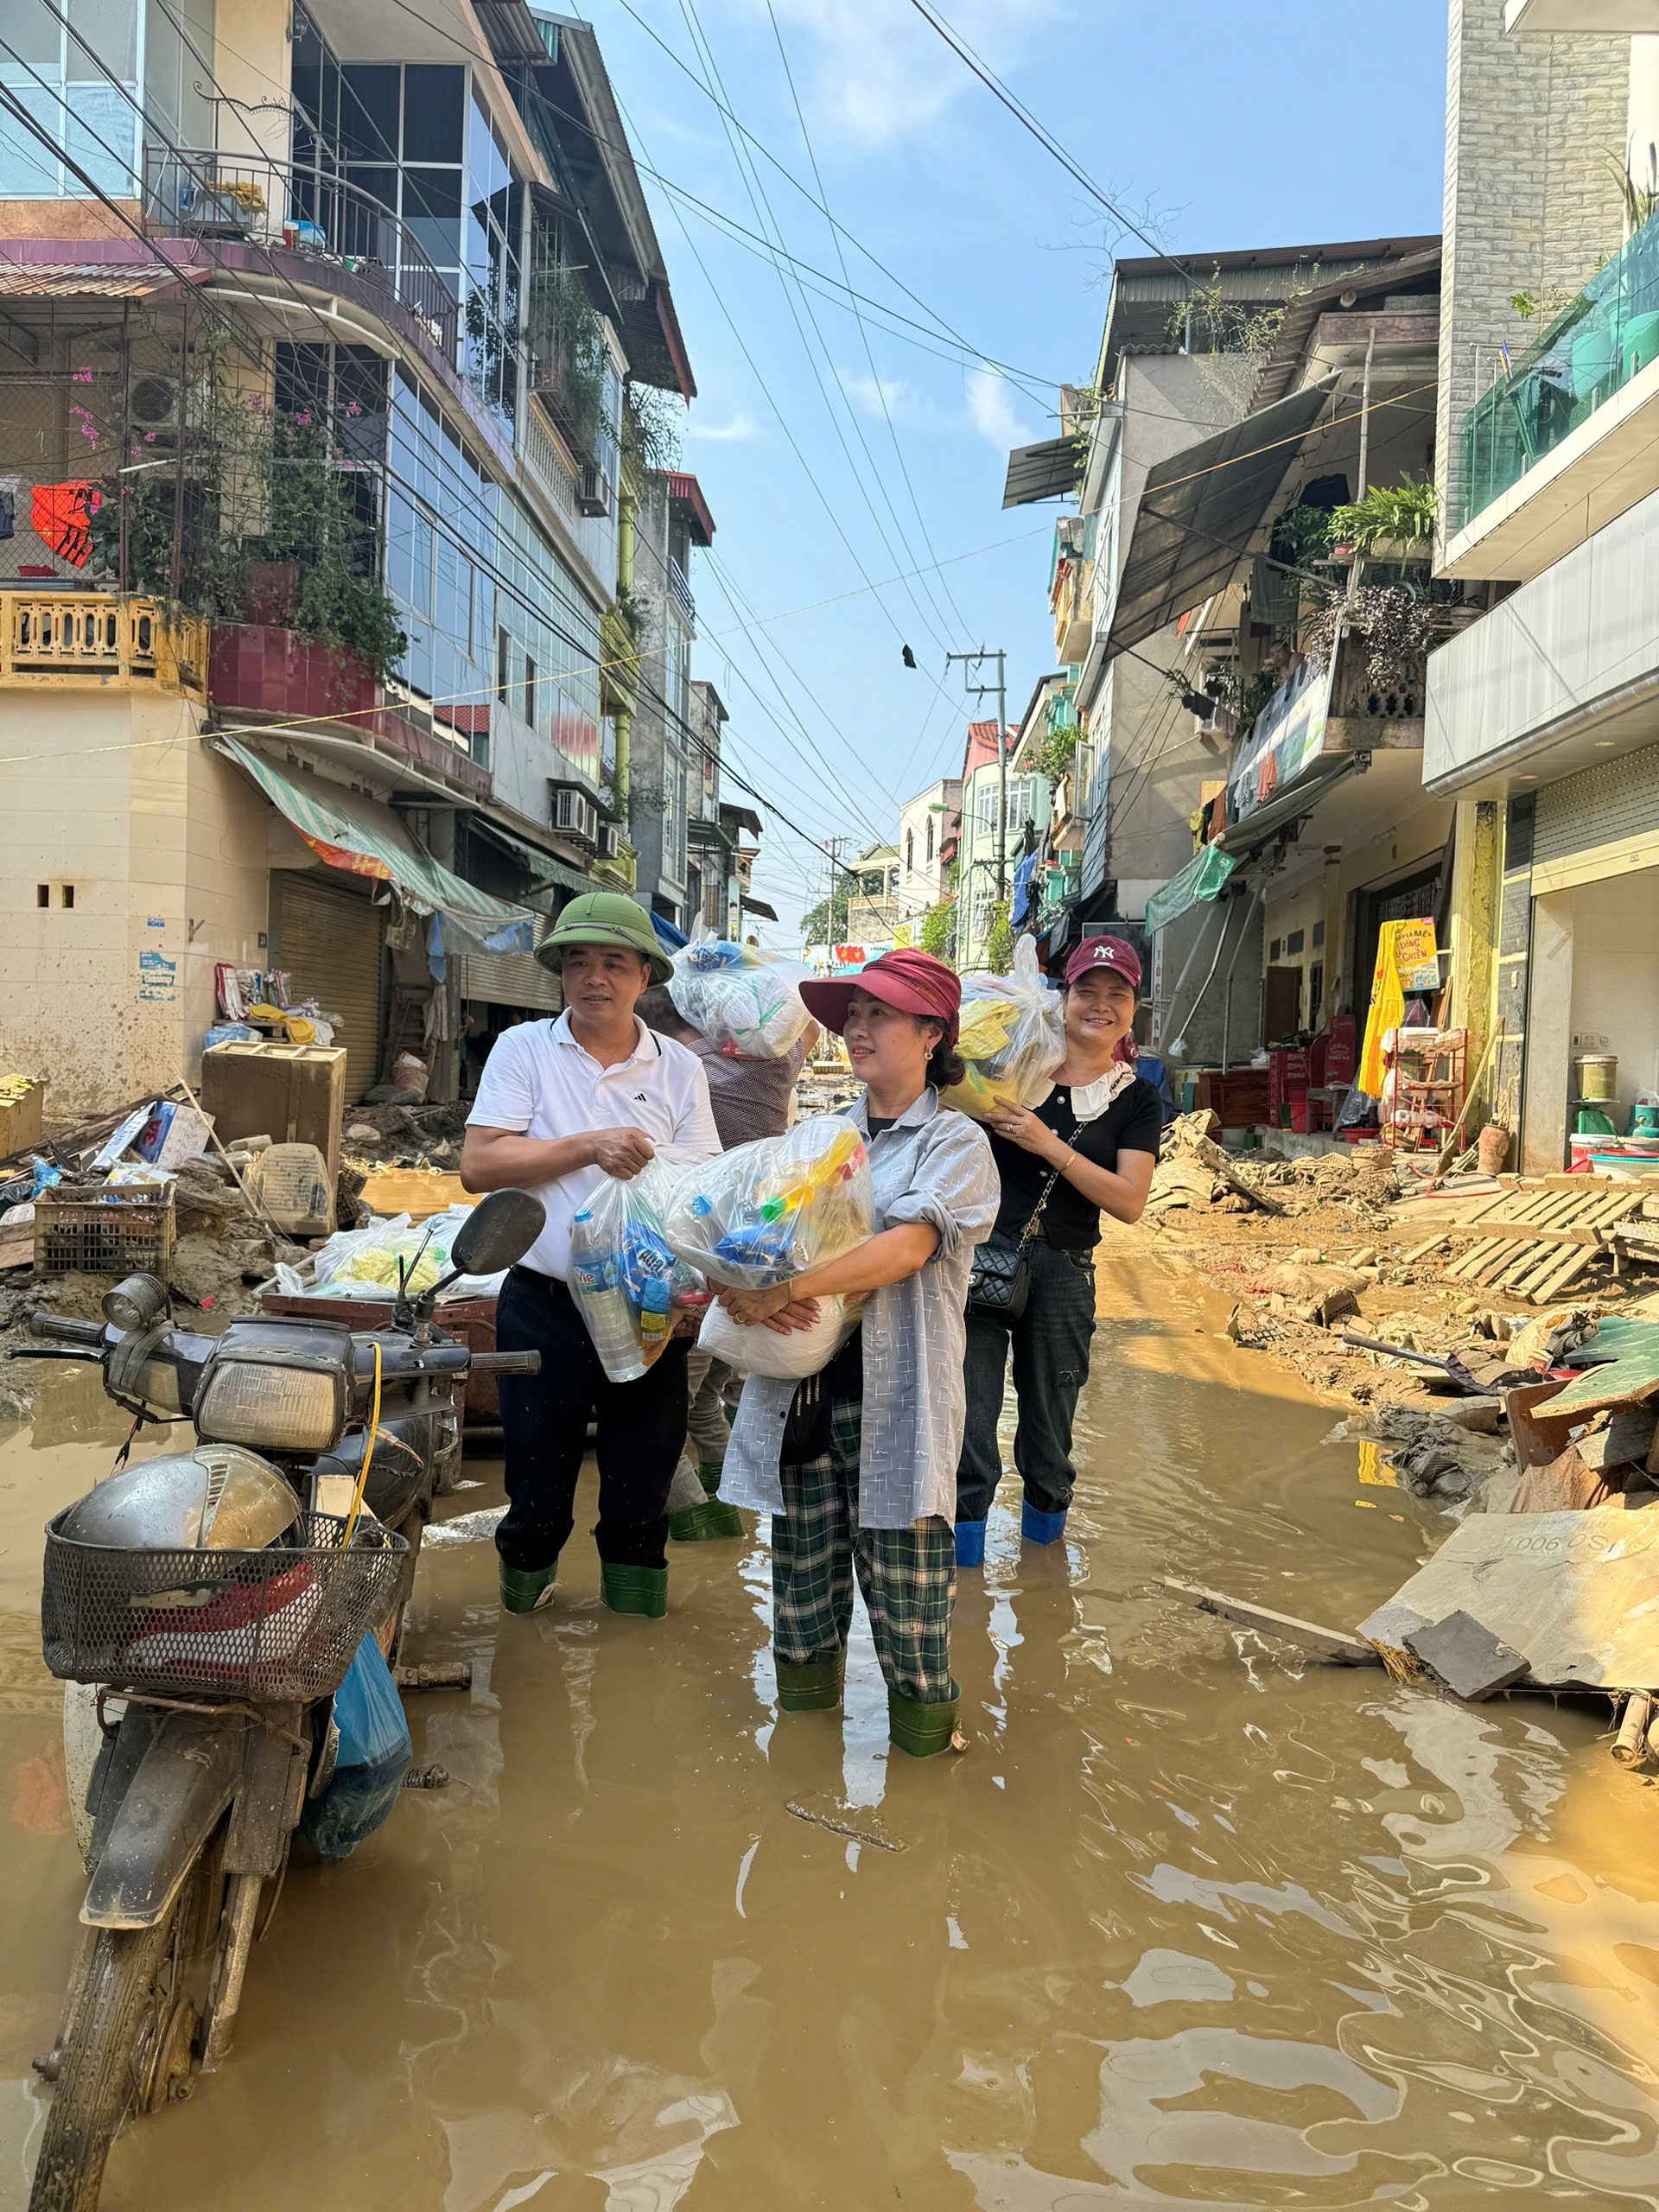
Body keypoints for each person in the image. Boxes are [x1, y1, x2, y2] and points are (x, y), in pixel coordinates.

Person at [714, 950, 998, 1759]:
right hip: (803, 1400)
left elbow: (907, 1249)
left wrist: (783, 1289)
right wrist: (734, 1275)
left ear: (932, 1032)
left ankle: (923, 1775)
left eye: (880, 1013)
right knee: (801, 1600)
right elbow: (760, 1235)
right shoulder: (818, 1139)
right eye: (853, 1013)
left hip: (898, 1407)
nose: (857, 1028)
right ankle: (799, 1776)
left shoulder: (957, 1143)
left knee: (911, 1616)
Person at [460, 893, 720, 1618]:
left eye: (613, 963)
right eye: (578, 962)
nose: (594, 978)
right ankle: (525, 1622)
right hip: (542, 1306)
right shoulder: (525, 1050)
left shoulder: (678, 1070)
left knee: (641, 1496)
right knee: (536, 1494)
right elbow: (479, 1166)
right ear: (562, 975)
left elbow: (699, 1189)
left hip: (647, 1309)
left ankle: (634, 1652)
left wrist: (709, 1280)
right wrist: (588, 1145)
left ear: (644, 976)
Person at [953, 936, 1161, 1567]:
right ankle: (964, 1583)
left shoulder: (1136, 1096)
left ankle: (1042, 1578)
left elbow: (1128, 1201)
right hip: (983, 1258)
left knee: (1049, 1435)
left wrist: (1050, 1145)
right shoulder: (1014, 1061)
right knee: (968, 1428)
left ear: (1132, 1009)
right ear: (1062, 998)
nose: (1100, 1006)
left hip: (1065, 1271)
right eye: (1086, 992)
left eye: (1116, 995)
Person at [635, 983, 820, 1494]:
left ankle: (697, 1519)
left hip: (704, 1268)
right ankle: (735, 1505)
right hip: (759, 1259)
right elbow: (806, 1026)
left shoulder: (681, 1068)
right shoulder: (776, 1063)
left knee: (664, 1416)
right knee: (702, 1405)